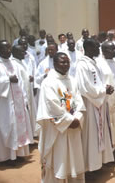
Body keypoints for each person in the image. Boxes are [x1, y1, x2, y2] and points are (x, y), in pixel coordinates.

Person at [37, 52, 86, 182]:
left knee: (73, 159)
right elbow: (51, 105)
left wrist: (78, 118)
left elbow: (79, 102)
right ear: (54, 64)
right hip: (57, 130)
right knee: (59, 159)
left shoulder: (72, 80)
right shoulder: (48, 82)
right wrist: (69, 120)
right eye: (62, 62)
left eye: (67, 62)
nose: (66, 65)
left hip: (73, 126)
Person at [0, 40, 33, 162]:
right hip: (3, 104)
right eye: (5, 49)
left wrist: (24, 99)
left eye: (9, 48)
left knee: (18, 127)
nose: (9, 51)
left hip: (18, 103)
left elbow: (21, 82)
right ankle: (4, 157)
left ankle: (18, 154)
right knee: (6, 127)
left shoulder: (14, 64)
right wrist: (7, 79)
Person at [75, 38, 115, 172]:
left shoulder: (94, 63)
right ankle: (89, 167)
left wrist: (105, 87)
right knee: (90, 137)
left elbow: (97, 83)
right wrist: (104, 90)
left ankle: (98, 164)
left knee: (99, 135)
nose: (99, 50)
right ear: (88, 48)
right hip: (90, 105)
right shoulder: (82, 65)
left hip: (98, 104)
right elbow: (85, 87)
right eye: (97, 47)